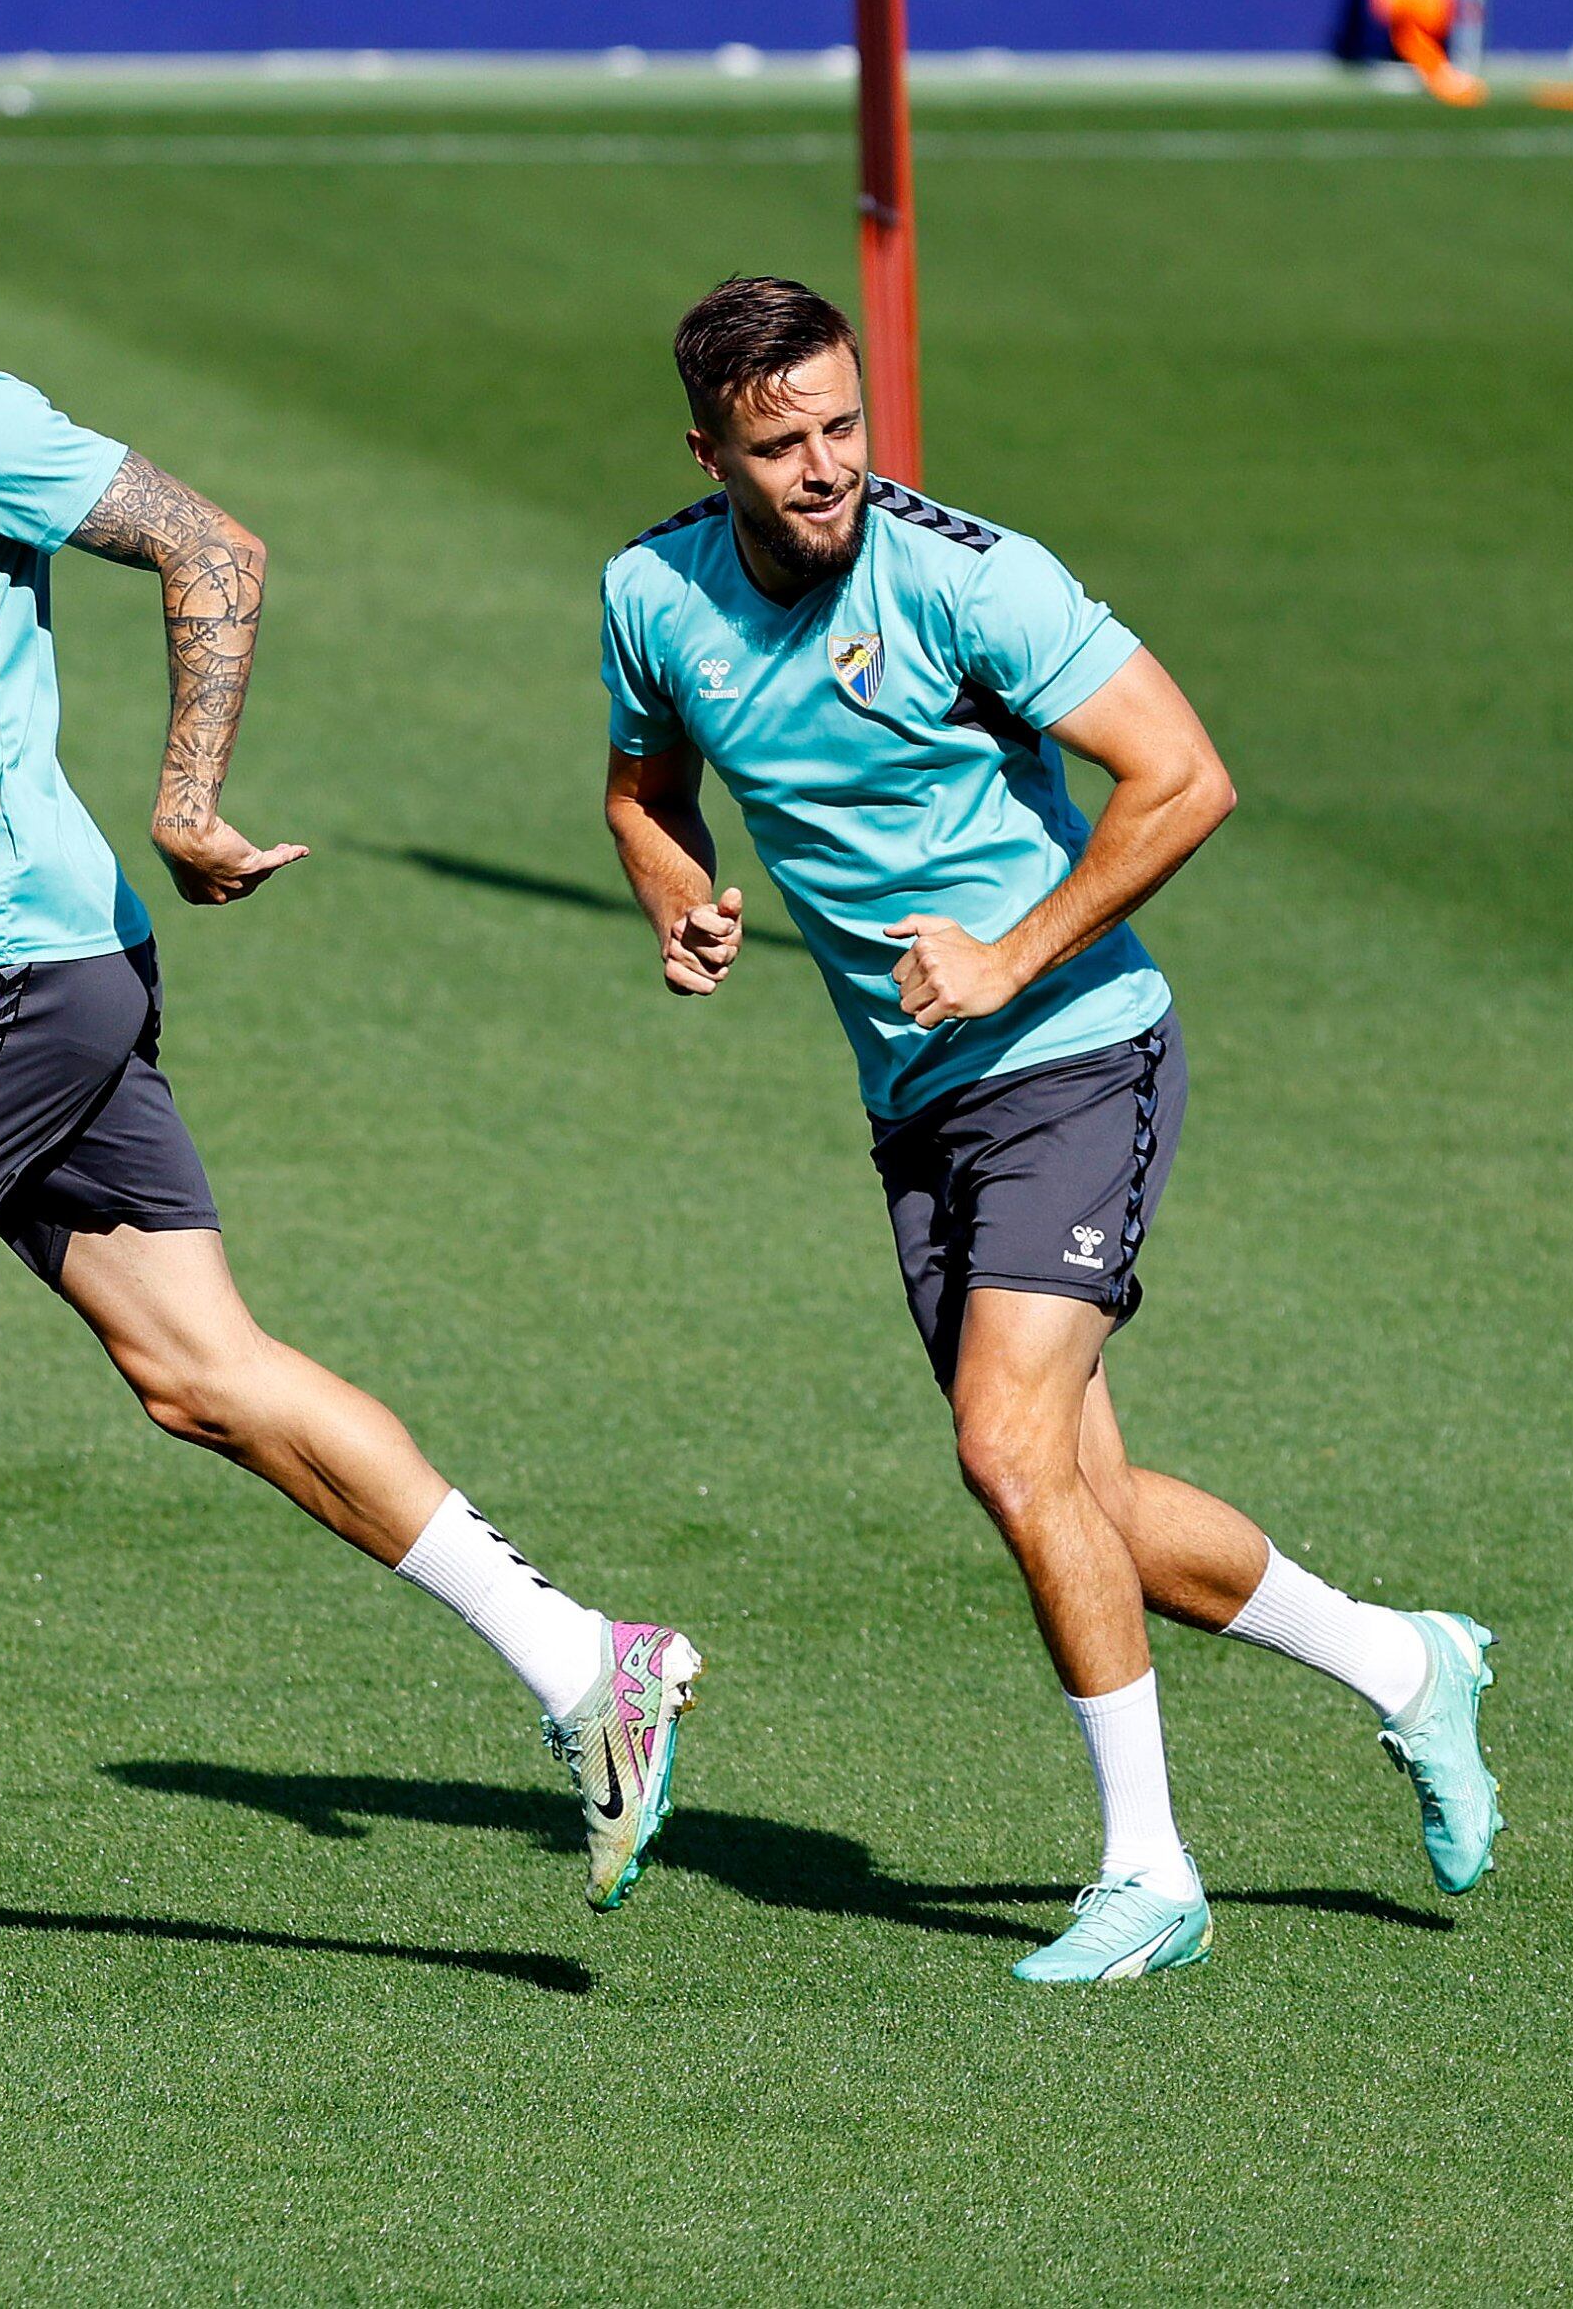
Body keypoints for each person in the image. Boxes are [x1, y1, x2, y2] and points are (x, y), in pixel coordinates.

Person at [0, 78, 698, 1966]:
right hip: (37, 964)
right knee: (198, 1370)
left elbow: (216, 551)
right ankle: (591, 1659)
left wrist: (188, 799)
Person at [595, 277, 1499, 1985]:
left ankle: (1151, 1873)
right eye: (779, 444)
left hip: (1079, 1051)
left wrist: (1010, 950)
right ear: (707, 447)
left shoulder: (969, 577)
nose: (823, 468)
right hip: (915, 1100)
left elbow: (1187, 776)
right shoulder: (654, 592)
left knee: (1007, 1451)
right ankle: (1407, 1665)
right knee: (1090, 1496)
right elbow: (644, 788)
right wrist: (675, 896)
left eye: (843, 427)